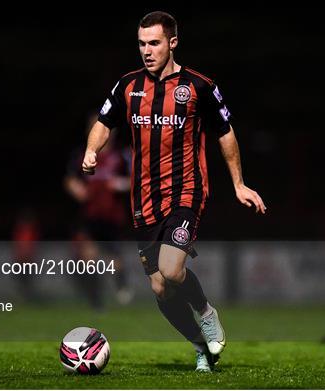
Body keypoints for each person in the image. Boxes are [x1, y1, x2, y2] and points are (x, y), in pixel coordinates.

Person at [82, 11, 266, 372]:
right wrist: (92, 149)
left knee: (171, 269)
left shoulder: (199, 86)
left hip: (186, 191)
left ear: (172, 43)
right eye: (141, 43)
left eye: (154, 43)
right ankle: (201, 347)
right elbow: (103, 124)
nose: (146, 51)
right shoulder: (127, 86)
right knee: (159, 288)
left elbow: (225, 132)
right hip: (143, 200)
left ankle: (206, 312)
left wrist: (238, 183)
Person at [65, 115, 134, 310]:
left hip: (112, 216)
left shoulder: (122, 155)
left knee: (114, 261)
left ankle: (121, 285)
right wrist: (76, 188)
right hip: (89, 215)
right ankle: (96, 301)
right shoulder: (82, 154)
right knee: (89, 258)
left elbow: (136, 180)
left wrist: (119, 185)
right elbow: (70, 179)